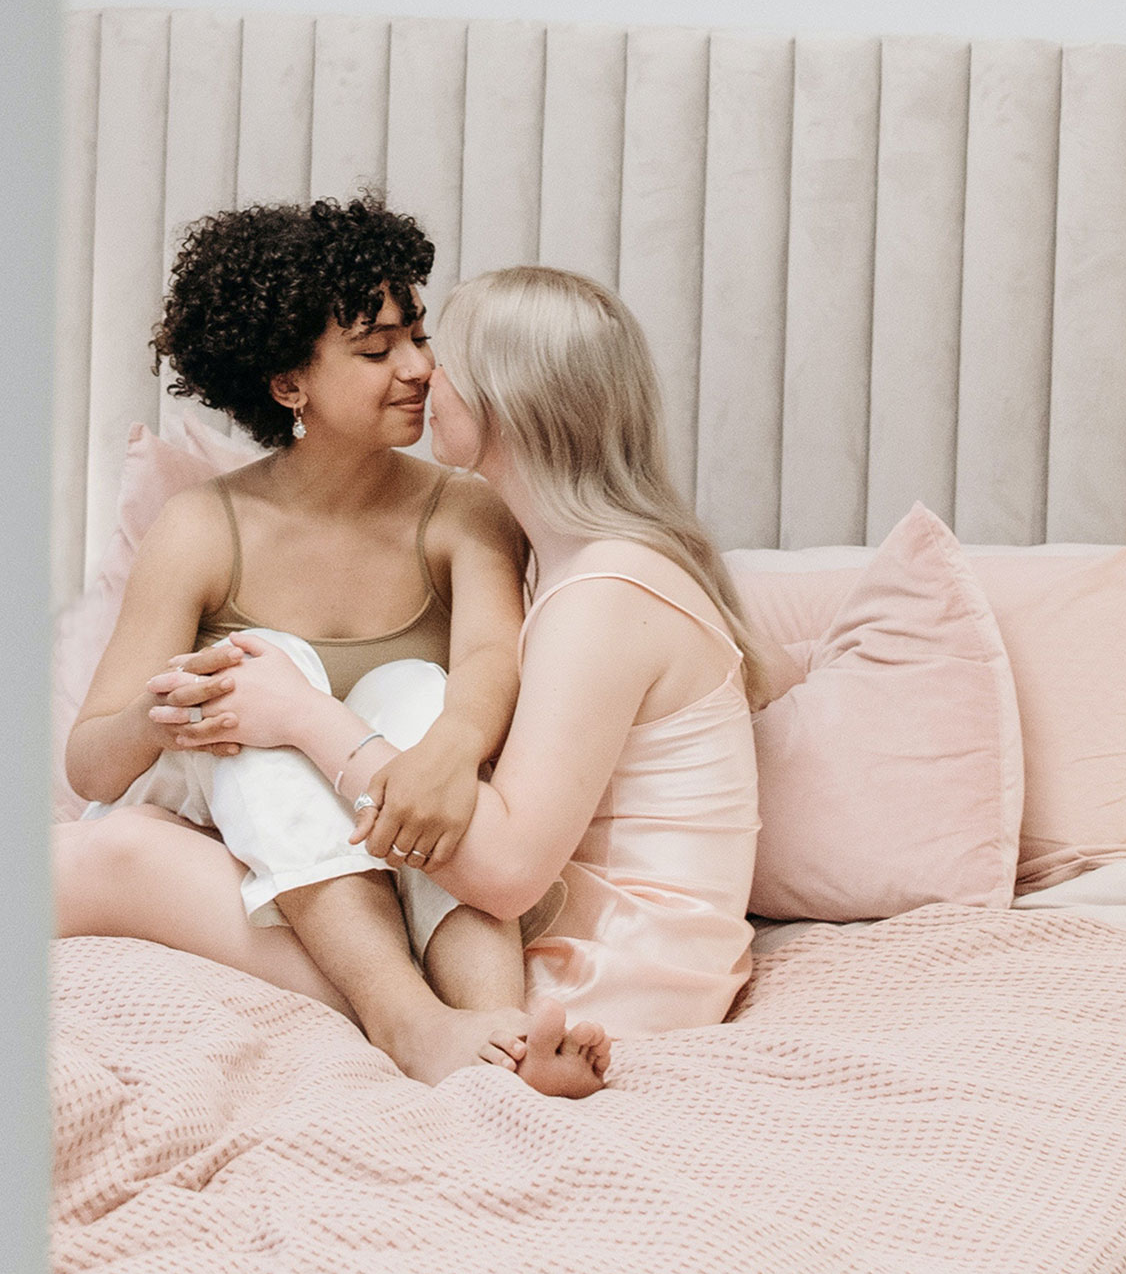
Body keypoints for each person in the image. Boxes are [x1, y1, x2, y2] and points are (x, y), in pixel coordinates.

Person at [147, 267, 789, 1099]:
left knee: (133, 851)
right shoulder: (589, 568)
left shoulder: (606, 591)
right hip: (608, 962)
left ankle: (425, 1024)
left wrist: (305, 718)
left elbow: (508, 872)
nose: (421, 373)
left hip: (597, 984)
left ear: (506, 399)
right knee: (169, 832)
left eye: (438, 353)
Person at [56, 196, 604, 1097]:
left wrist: (451, 750)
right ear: (288, 386)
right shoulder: (201, 528)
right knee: (264, 673)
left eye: (418, 337)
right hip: (228, 851)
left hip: (387, 832)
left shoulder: (463, 510)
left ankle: (497, 1030)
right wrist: (164, 715)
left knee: (419, 691)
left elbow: (489, 664)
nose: (420, 368)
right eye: (377, 350)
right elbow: (89, 766)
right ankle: (407, 1021)